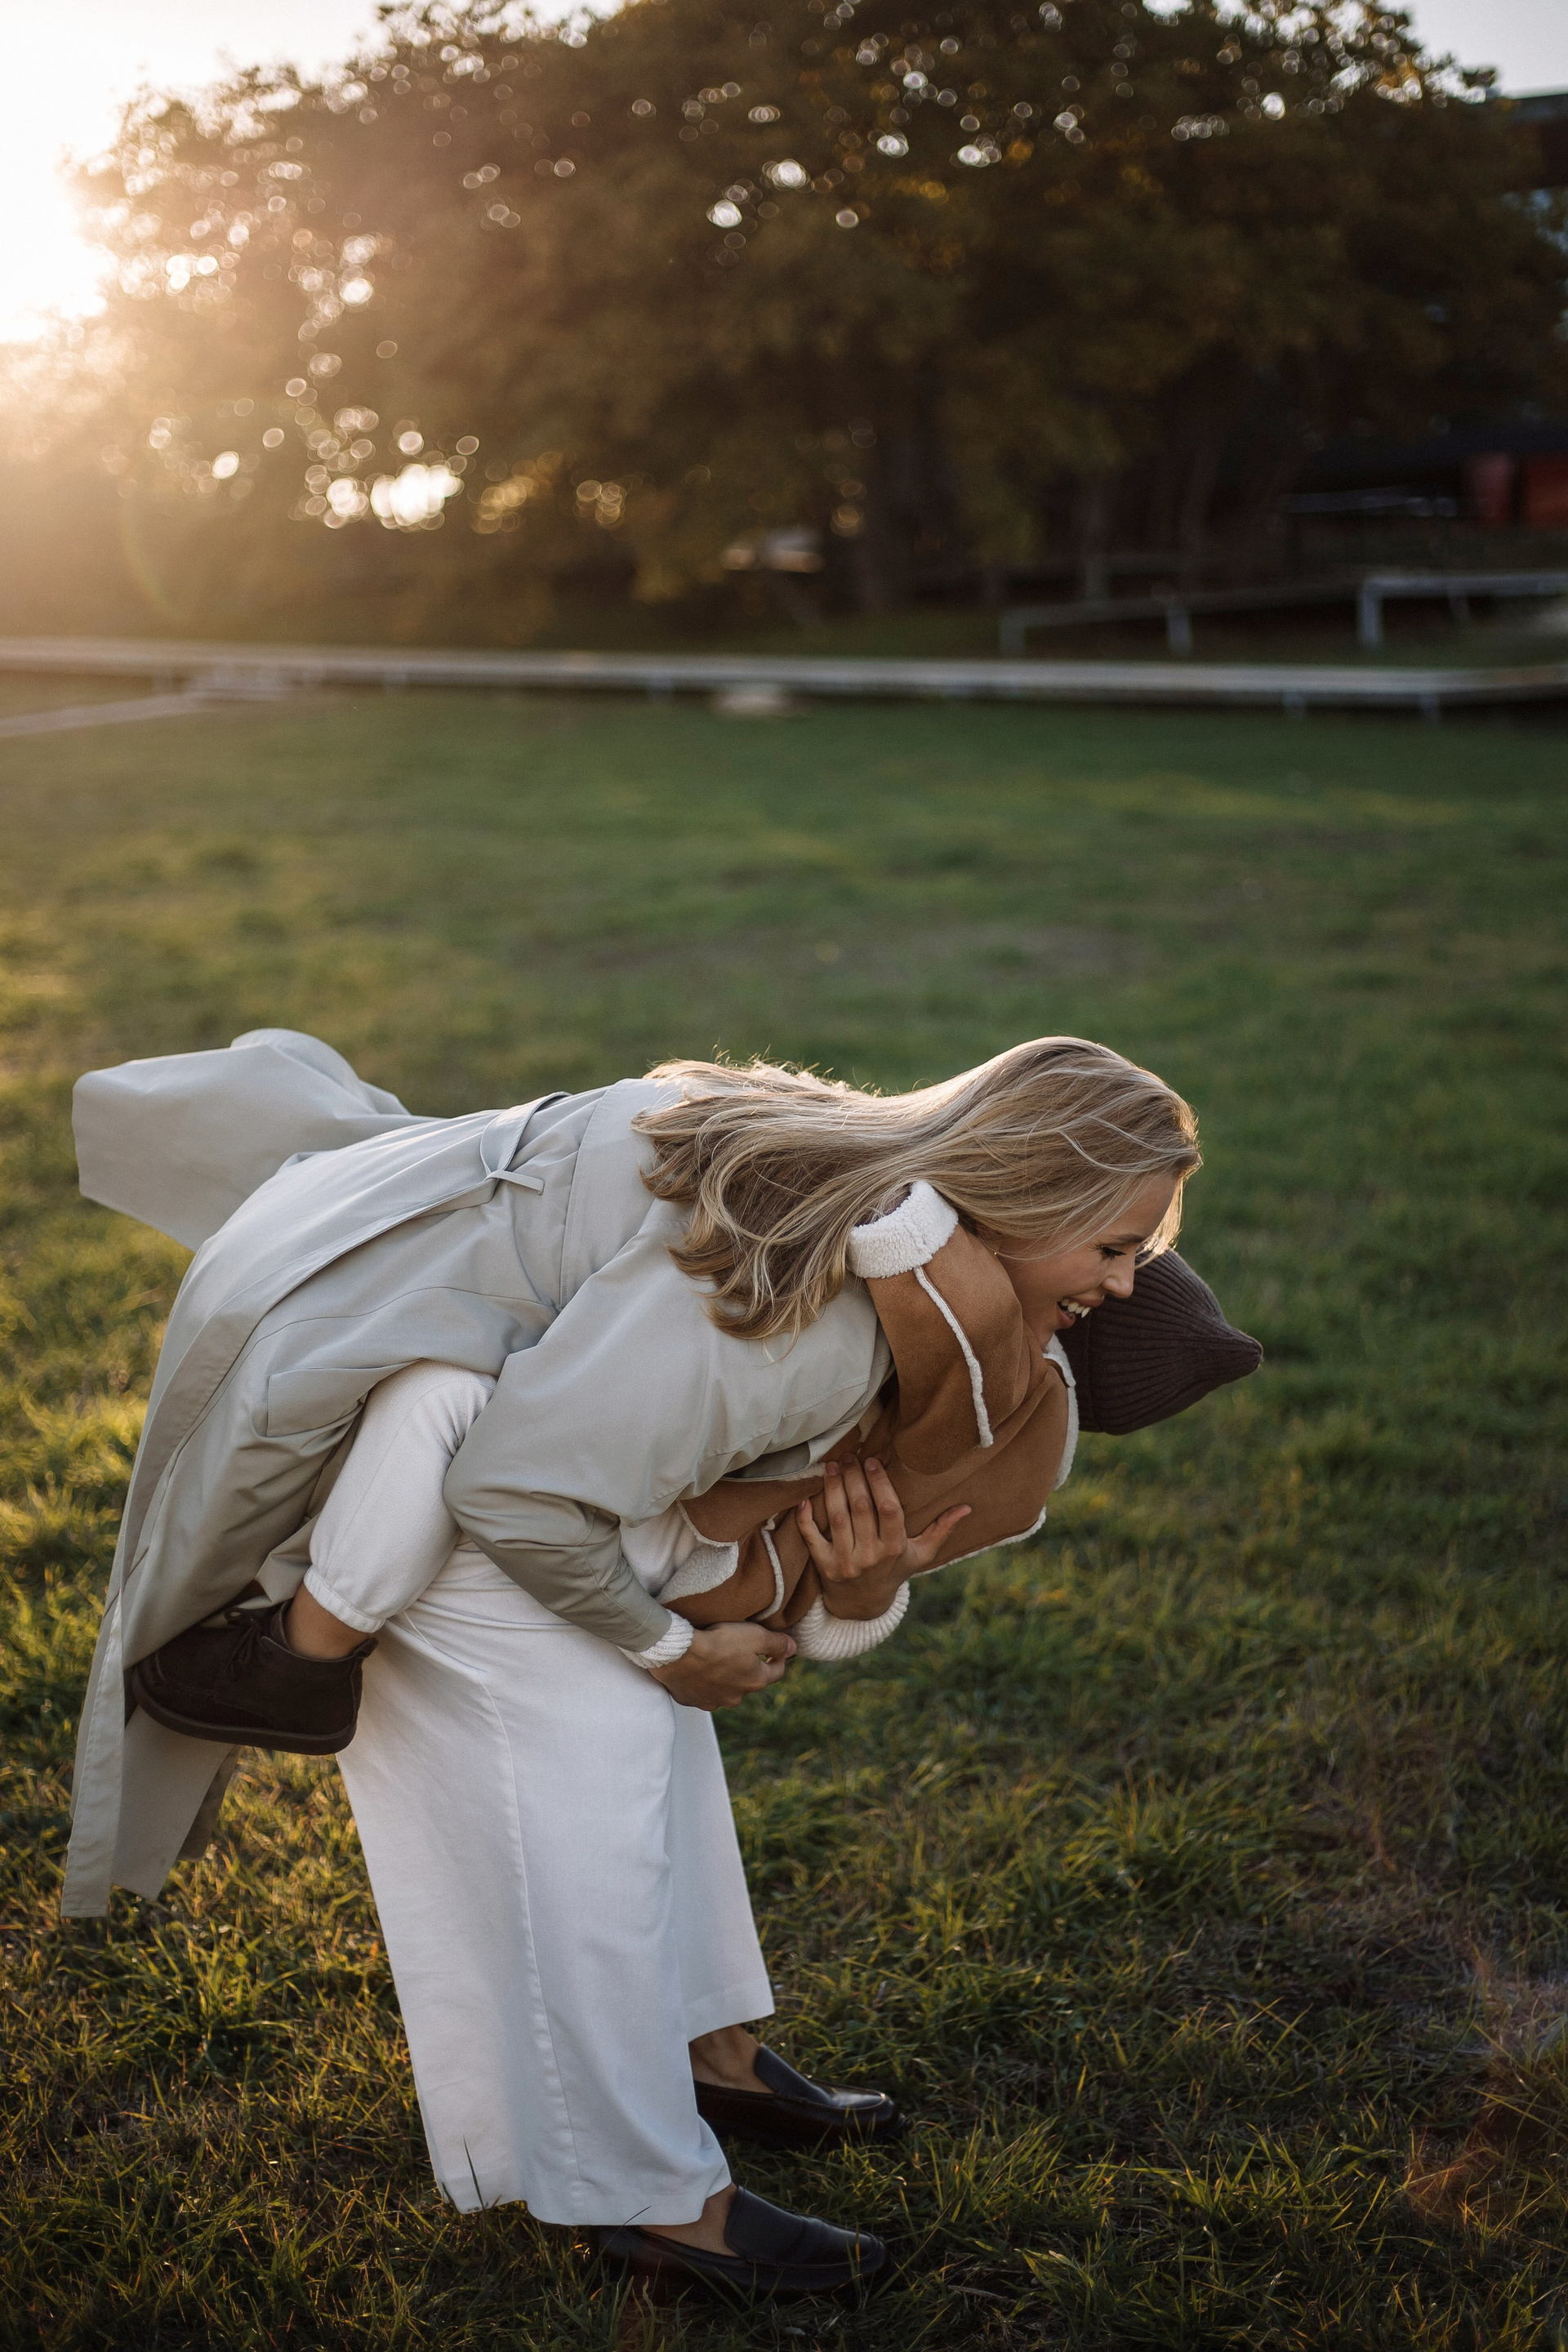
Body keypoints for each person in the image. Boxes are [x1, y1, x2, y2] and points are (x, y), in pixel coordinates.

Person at [65, 1034, 1204, 2300]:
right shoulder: (826, 1317)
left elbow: (692, 1500)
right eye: (1117, 1249)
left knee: (666, 1742)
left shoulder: (901, 1239)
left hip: (483, 1401)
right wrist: (668, 1648)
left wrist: (843, 1596)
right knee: (590, 1771)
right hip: (419, 1419)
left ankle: (709, 2055)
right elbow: (514, 1490)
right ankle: (652, 2195)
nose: (1127, 1285)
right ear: (1028, 1192)